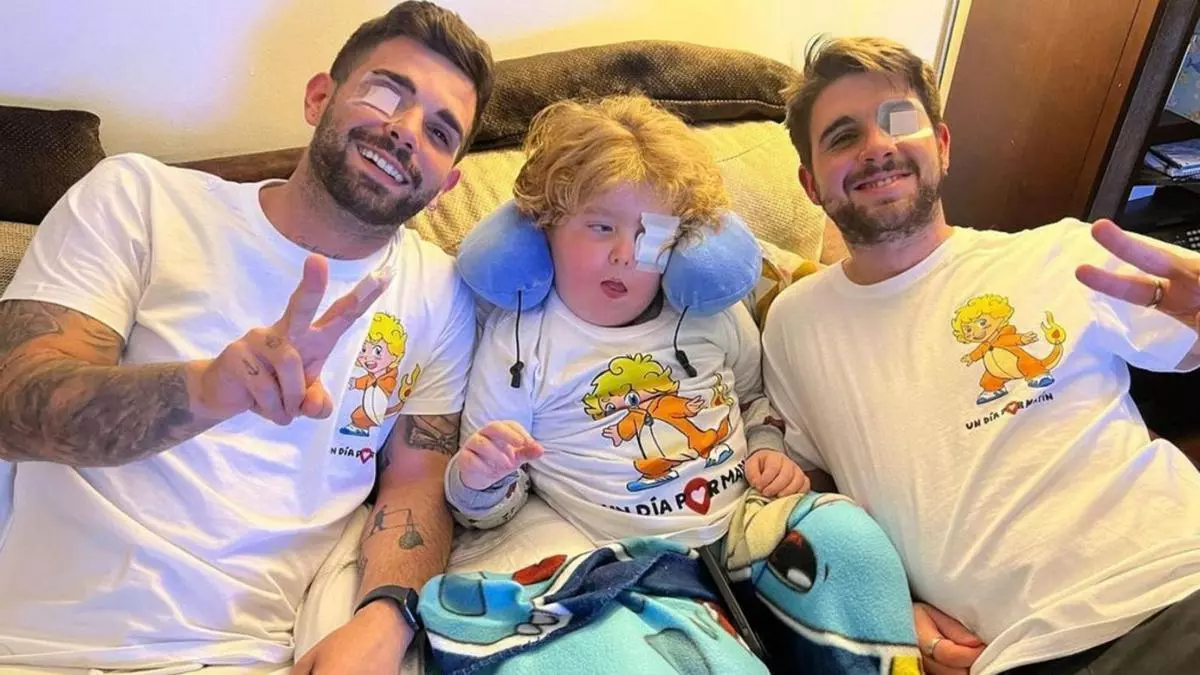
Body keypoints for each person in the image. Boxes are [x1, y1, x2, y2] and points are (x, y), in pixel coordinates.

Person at [0, 3, 493, 673]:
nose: (405, 130)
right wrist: (209, 390)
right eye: (386, 93)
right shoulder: (141, 199)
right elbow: (14, 404)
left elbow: (417, 480)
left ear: (447, 185)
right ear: (319, 98)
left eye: (439, 131)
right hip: (44, 646)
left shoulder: (442, 293)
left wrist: (389, 616)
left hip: (251, 657)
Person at [762, 35, 1200, 675]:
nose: (877, 146)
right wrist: (891, 600)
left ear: (941, 144)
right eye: (843, 136)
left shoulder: (1063, 253)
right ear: (810, 183)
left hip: (1175, 587)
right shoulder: (792, 324)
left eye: (898, 121)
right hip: (1006, 655)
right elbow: (810, 482)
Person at [443, 95, 809, 547]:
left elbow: (755, 400)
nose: (625, 254)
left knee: (844, 535)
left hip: (754, 526)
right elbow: (490, 501)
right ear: (546, 225)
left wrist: (769, 448)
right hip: (631, 560)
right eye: (601, 227)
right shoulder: (516, 345)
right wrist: (478, 482)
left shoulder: (710, 314)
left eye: (651, 235)